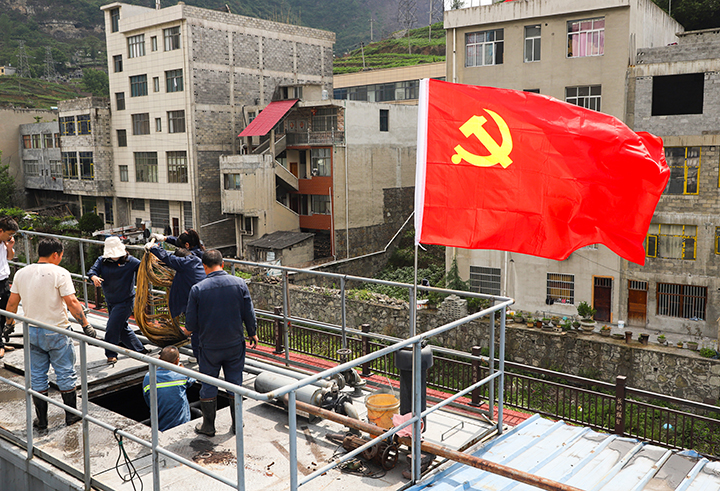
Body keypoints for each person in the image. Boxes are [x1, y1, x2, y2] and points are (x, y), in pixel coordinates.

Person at [5, 237, 97, 431]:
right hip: (57, 331)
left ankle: (42, 421)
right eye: (61, 255)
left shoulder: (21, 273)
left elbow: (12, 303)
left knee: (37, 375)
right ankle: (71, 416)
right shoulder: (60, 273)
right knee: (65, 373)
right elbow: (72, 302)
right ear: (56, 254)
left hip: (31, 330)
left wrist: (9, 325)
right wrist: (86, 325)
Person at [184, 249, 258, 436]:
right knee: (235, 383)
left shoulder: (197, 289)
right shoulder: (239, 283)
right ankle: (237, 424)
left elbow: (190, 323)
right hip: (234, 344)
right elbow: (249, 312)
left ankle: (208, 426)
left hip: (209, 346)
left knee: (209, 384)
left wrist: (186, 331)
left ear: (204, 266)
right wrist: (252, 333)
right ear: (223, 264)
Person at [88, 236, 148, 364]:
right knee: (122, 328)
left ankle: (111, 354)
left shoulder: (131, 261)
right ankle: (140, 350)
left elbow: (145, 269)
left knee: (112, 327)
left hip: (125, 301)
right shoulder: (102, 260)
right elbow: (92, 271)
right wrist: (94, 277)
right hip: (110, 300)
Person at [144, 242, 206, 357]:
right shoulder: (196, 260)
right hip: (205, 301)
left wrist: (153, 248)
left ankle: (200, 358)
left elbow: (168, 258)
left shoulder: (184, 263)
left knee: (196, 332)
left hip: (196, 305)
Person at [142, 345, 195, 432]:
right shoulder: (182, 375)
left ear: (159, 358)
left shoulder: (148, 377)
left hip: (159, 425)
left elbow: (148, 399)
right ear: (177, 360)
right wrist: (182, 368)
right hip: (181, 424)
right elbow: (194, 377)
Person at [0, 216, 18, 358]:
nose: (10, 237)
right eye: (9, 234)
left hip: (4, 280)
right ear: (1, 231)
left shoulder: (3, 243)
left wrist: (10, 247)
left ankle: (1, 340)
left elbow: (10, 257)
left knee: (5, 311)